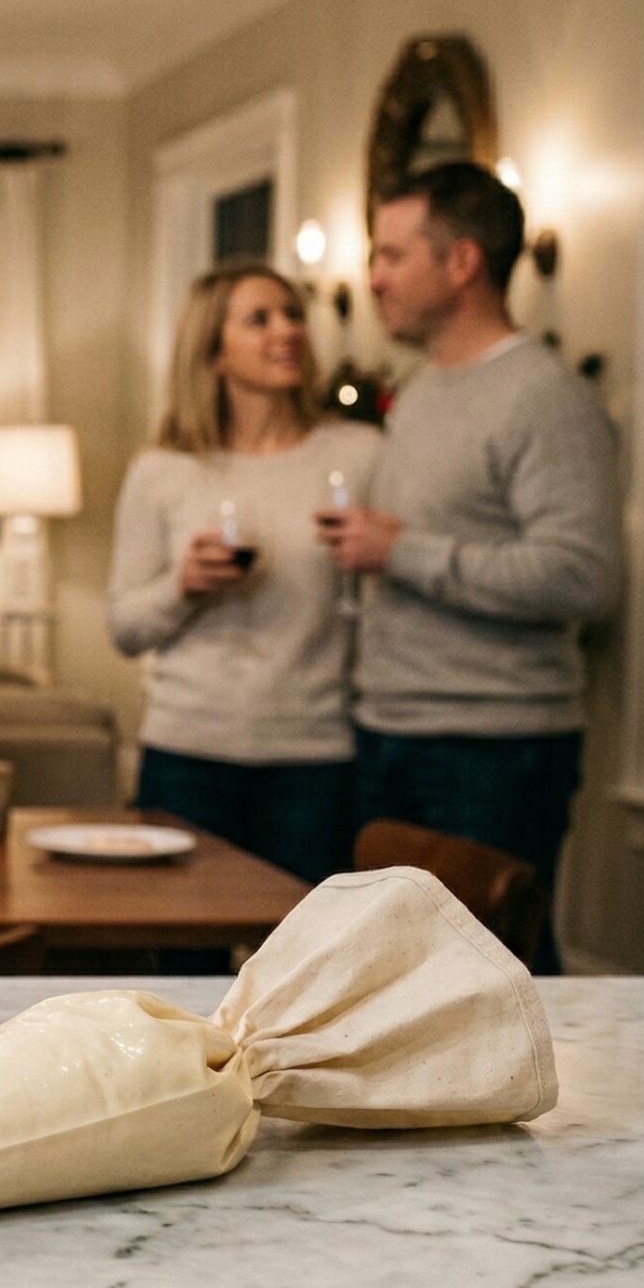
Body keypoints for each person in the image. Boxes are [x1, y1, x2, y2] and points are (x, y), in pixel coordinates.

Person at [321, 160, 623, 969]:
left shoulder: (543, 395)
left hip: (492, 746)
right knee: (399, 982)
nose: (373, 277)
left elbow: (582, 575)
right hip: (392, 728)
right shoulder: (419, 389)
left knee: (488, 980)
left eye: (391, 255)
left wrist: (402, 551)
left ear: (461, 262)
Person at [108, 261, 379, 885]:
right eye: (259, 319)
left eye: (292, 315)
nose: (285, 331)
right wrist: (183, 588)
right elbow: (123, 627)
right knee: (183, 969)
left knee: (306, 966)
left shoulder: (358, 455)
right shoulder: (163, 470)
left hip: (317, 758)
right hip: (187, 756)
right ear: (213, 350)